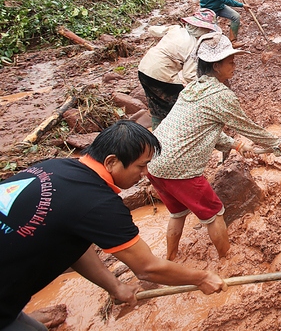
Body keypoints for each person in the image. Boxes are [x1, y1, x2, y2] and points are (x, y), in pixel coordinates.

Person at [0, 121, 224, 331]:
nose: (145, 174)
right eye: (141, 166)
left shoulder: (56, 167)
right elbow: (147, 267)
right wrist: (202, 278)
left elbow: (74, 246)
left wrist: (115, 286)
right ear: (111, 162)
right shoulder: (97, 202)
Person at [147, 32, 281, 261]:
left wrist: (237, 145)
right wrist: (279, 144)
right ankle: (226, 260)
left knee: (178, 213)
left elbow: (202, 131)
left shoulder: (191, 88)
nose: (234, 66)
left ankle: (171, 258)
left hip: (154, 162)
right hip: (180, 170)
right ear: (216, 65)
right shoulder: (220, 95)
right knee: (215, 213)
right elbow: (248, 127)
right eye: (230, 61)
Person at [138, 8, 222, 129]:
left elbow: (153, 30)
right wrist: (204, 87)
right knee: (179, 108)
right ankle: (175, 134)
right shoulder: (194, 46)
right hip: (161, 75)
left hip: (144, 68)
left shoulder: (176, 29)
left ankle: (156, 134)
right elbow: (189, 75)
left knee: (155, 104)